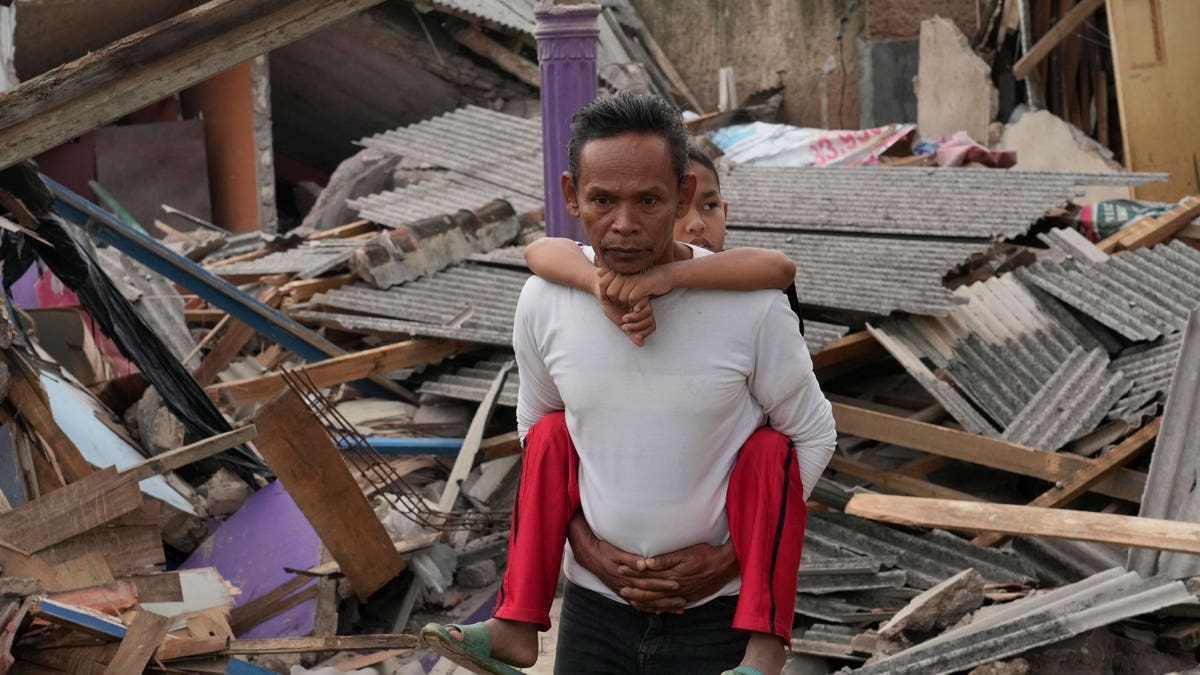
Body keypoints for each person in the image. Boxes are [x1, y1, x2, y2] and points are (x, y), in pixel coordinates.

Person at [422, 92, 836, 675]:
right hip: (595, 611)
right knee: (549, 435)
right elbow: (535, 430)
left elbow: (813, 437)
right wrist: (589, 550)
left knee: (774, 448)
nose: (624, 224)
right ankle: (515, 623)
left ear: (684, 195)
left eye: (648, 200)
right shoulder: (546, 300)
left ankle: (766, 651)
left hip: (720, 618)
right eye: (602, 200)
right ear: (572, 195)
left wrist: (729, 558)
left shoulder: (752, 309)